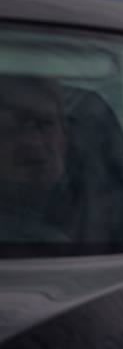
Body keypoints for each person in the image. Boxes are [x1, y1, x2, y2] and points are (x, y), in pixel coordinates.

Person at [0, 75, 69, 242]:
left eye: (45, 124)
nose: (33, 141)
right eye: (13, 128)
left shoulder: (103, 199)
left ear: (65, 136)